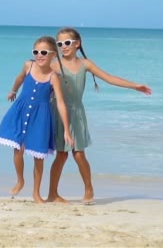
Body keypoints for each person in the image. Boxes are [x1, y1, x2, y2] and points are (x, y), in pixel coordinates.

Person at [47, 27, 152, 205]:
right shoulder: (54, 65)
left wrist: (134, 86)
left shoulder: (85, 64)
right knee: (61, 155)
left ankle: (89, 189)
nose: (63, 46)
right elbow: (37, 79)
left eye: (67, 43)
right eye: (60, 44)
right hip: (58, 112)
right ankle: (52, 193)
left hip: (77, 113)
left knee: (79, 154)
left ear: (77, 44)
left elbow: (109, 77)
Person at [0, 36, 74, 204]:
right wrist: (13, 91)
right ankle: (20, 180)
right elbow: (19, 78)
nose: (39, 55)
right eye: (36, 52)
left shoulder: (54, 77)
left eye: (44, 52)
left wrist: (67, 130)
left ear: (53, 54)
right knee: (17, 148)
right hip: (21, 110)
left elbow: (60, 102)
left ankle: (36, 193)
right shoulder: (28, 65)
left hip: (41, 117)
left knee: (38, 156)